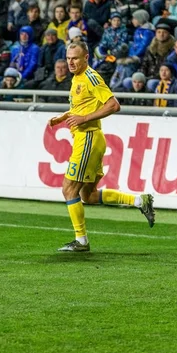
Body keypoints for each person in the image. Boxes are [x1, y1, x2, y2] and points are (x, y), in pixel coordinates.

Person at [48, 41, 155, 252]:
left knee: (69, 189)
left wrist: (84, 118)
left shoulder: (91, 77)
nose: (70, 62)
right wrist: (64, 117)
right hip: (87, 139)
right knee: (88, 195)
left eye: (75, 58)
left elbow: (114, 105)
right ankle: (139, 200)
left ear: (86, 58)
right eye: (68, 58)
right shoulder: (77, 78)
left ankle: (81, 241)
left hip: (88, 138)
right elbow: (81, 107)